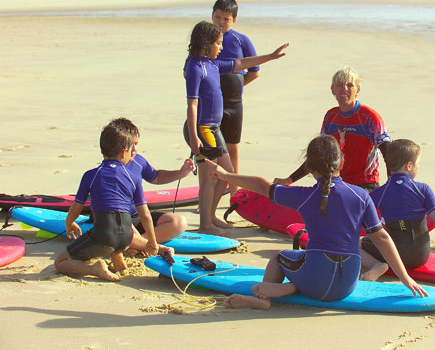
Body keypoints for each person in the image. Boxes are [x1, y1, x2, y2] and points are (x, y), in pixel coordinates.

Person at [207, 135, 427, 310]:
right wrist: (405, 277)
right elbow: (382, 237)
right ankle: (293, 287)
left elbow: (263, 186)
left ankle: (272, 295)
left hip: (316, 280)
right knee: (318, 263)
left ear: (311, 169)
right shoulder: (361, 195)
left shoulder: (305, 196)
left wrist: (225, 175)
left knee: (279, 258)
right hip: (347, 285)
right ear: (341, 161)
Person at [185, 21, 288, 237]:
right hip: (202, 130)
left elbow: (241, 62)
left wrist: (269, 56)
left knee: (227, 175)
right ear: (206, 44)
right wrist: (194, 137)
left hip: (214, 129)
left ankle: (211, 217)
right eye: (218, 43)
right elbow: (192, 104)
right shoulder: (195, 68)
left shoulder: (213, 65)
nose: (221, 47)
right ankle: (205, 225)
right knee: (209, 178)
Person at [54, 121, 160, 281]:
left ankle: (95, 269)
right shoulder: (134, 178)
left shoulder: (91, 175)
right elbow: (145, 214)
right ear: (124, 152)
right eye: (132, 149)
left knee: (60, 262)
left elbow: (77, 207)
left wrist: (69, 223)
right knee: (114, 240)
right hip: (127, 239)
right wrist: (151, 241)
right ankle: (118, 262)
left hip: (104, 236)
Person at [274, 67, 391, 192]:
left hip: (365, 185)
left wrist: (391, 183)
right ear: (333, 90)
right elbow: (318, 155)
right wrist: (290, 180)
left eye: (350, 85)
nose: (344, 89)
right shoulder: (331, 117)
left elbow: (388, 151)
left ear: (358, 90)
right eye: (340, 85)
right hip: (336, 183)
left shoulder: (369, 116)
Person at [359, 139, 435, 281]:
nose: (418, 167)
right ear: (409, 166)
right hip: (420, 257)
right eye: (417, 164)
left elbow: (359, 220)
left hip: (393, 255)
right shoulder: (423, 189)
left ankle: (377, 264)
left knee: (356, 243)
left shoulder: (379, 193)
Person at [106, 118, 194, 255]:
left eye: (136, 144)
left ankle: (138, 244)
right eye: (131, 145)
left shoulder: (138, 161)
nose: (135, 149)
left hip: (136, 218)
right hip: (116, 220)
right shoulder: (109, 172)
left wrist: (181, 173)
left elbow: (156, 177)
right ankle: (138, 244)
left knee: (179, 222)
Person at [210, 0, 260, 193]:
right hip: (211, 104)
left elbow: (254, 71)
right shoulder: (205, 40)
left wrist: (236, 89)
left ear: (234, 20)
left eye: (226, 19)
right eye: (218, 17)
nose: (221, 22)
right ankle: (209, 189)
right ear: (212, 16)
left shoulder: (241, 40)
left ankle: (234, 192)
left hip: (233, 104)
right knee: (211, 150)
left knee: (232, 148)